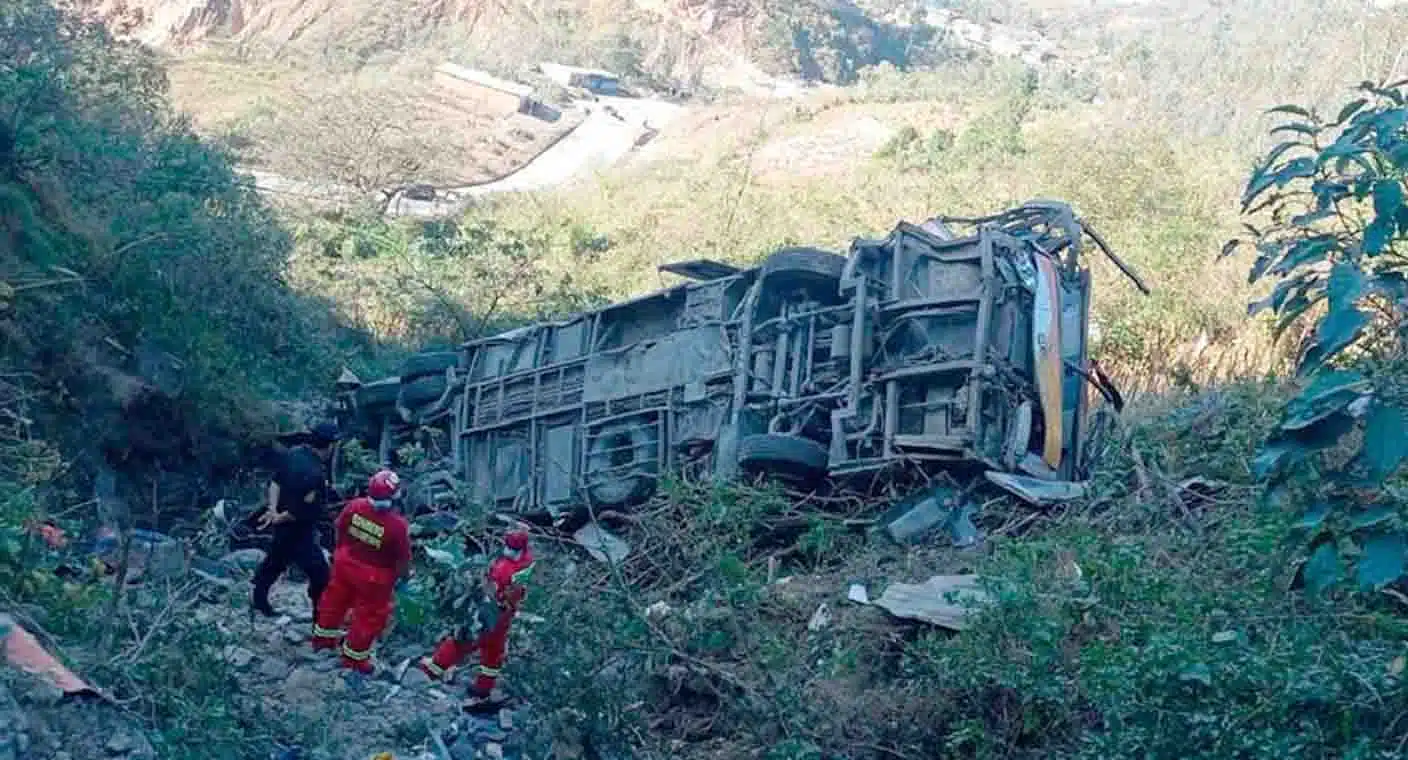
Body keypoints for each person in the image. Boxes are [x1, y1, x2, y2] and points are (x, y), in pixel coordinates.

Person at [418, 528, 535, 711]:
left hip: (490, 612)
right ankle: (483, 687)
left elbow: (488, 589)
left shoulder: (504, 568)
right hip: (506, 615)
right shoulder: (527, 563)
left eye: (510, 547)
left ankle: (432, 670)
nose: (507, 550)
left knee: (462, 640)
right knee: (494, 652)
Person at [311, 469, 412, 674]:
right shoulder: (397, 526)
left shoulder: (355, 506)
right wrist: (404, 578)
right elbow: (403, 559)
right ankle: (354, 659)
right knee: (369, 617)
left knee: (333, 602)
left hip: (345, 565)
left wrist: (340, 552)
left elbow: (339, 528)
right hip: (374, 578)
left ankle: (322, 641)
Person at [250, 421, 340, 618]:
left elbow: (275, 482)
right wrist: (281, 517)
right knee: (320, 575)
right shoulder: (315, 473)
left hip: (283, 525)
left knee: (276, 560)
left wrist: (273, 510)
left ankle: (259, 600)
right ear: (330, 445)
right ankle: (320, 620)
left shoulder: (294, 454)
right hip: (299, 530)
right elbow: (302, 509)